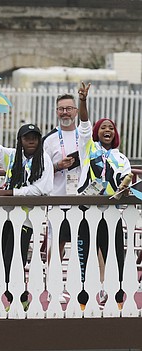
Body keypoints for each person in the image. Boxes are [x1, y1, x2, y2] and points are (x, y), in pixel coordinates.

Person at [0, 117, 53, 308]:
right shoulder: (11, 156)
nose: (31, 141)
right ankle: (15, 297)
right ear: (20, 140)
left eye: (35, 138)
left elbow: (41, 189)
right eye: (27, 138)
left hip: (26, 219)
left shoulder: (45, 160)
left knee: (15, 256)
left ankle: (20, 299)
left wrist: (9, 192)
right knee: (4, 257)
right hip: (7, 216)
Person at [76, 81, 130, 308]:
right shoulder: (88, 147)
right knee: (86, 256)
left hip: (112, 214)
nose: (107, 130)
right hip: (88, 211)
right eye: (103, 127)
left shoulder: (121, 157)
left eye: (111, 128)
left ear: (115, 134)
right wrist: (83, 100)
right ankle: (84, 298)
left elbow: (126, 180)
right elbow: (85, 124)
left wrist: (123, 186)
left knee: (114, 255)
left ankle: (115, 298)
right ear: (97, 133)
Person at [42, 93, 80, 269]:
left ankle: (85, 285)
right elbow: (40, 171)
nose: (65, 112)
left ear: (76, 111)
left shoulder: (87, 137)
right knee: (56, 243)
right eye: (61, 109)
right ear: (56, 112)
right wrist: (57, 166)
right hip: (57, 199)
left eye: (69, 109)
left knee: (85, 245)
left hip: (82, 201)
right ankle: (52, 285)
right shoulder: (49, 140)